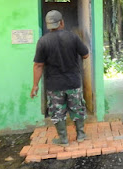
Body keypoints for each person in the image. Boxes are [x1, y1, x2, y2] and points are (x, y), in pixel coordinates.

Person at [30, 10, 89, 146]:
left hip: (54, 85)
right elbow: (85, 55)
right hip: (73, 82)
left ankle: (63, 139)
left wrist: (35, 85)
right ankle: (80, 135)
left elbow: (38, 65)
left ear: (48, 25)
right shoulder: (73, 37)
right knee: (77, 108)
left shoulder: (43, 41)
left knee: (57, 111)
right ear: (61, 22)